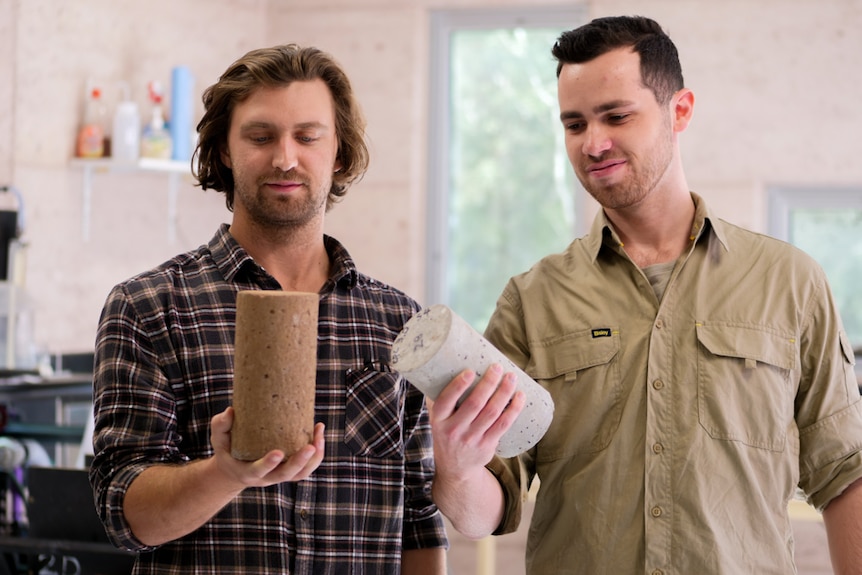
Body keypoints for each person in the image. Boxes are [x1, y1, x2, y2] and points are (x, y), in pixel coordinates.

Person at [428, 15, 862, 575]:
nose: (594, 143)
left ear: (679, 111)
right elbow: (486, 511)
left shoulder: (790, 282)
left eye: (616, 116)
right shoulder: (532, 301)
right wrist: (458, 469)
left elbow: (845, 473)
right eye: (574, 124)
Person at [89, 44, 447, 574]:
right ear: (226, 151)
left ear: (339, 152)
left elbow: (418, 516)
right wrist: (226, 473)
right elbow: (123, 515)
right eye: (260, 136)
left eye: (308, 136)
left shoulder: (397, 321)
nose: (285, 157)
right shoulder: (148, 307)